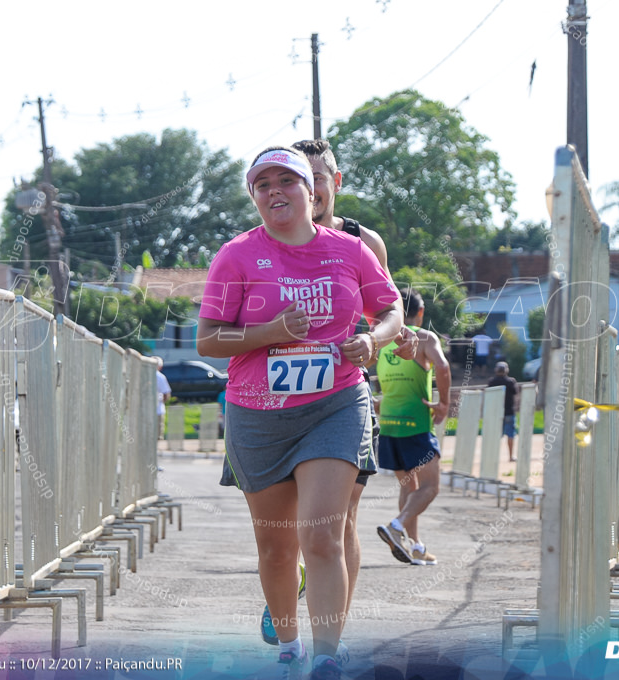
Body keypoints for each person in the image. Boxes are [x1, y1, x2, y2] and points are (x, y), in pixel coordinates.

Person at [198, 145, 402, 680]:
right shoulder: (236, 256)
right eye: (262, 185)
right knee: (276, 546)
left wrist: (374, 339)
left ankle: (328, 656)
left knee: (321, 536)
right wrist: (270, 334)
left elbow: (390, 307)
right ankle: (290, 646)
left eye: (285, 182)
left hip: (335, 403)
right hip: (259, 412)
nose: (274, 192)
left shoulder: (350, 250)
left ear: (312, 193)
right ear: (254, 198)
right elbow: (208, 340)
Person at [259, 139, 415, 654]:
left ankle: (331, 638)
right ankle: (288, 575)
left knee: (339, 516)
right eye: (301, 176)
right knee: (284, 523)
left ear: (333, 181)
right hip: (271, 400)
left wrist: (388, 336)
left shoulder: (361, 241)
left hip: (343, 395)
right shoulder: (263, 237)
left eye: (319, 176)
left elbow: (385, 307)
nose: (313, 187)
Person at [375, 289, 450, 566]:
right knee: (430, 487)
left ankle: (414, 546)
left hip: (389, 424)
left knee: (409, 485)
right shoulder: (423, 337)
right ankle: (397, 527)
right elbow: (442, 367)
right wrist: (443, 404)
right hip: (415, 424)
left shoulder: (382, 339)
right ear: (420, 313)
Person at [487, 361, 520, 462]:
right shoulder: (511, 381)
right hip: (509, 411)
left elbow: (489, 395)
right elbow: (516, 392)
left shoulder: (492, 382)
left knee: (496, 435)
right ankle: (511, 456)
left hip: (496, 412)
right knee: (510, 435)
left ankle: (494, 456)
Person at [155, 357, 171, 441]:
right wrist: (163, 402)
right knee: (158, 436)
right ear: (160, 367)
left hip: (144, 409)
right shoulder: (160, 377)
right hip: (158, 408)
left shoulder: (142, 374)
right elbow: (166, 393)